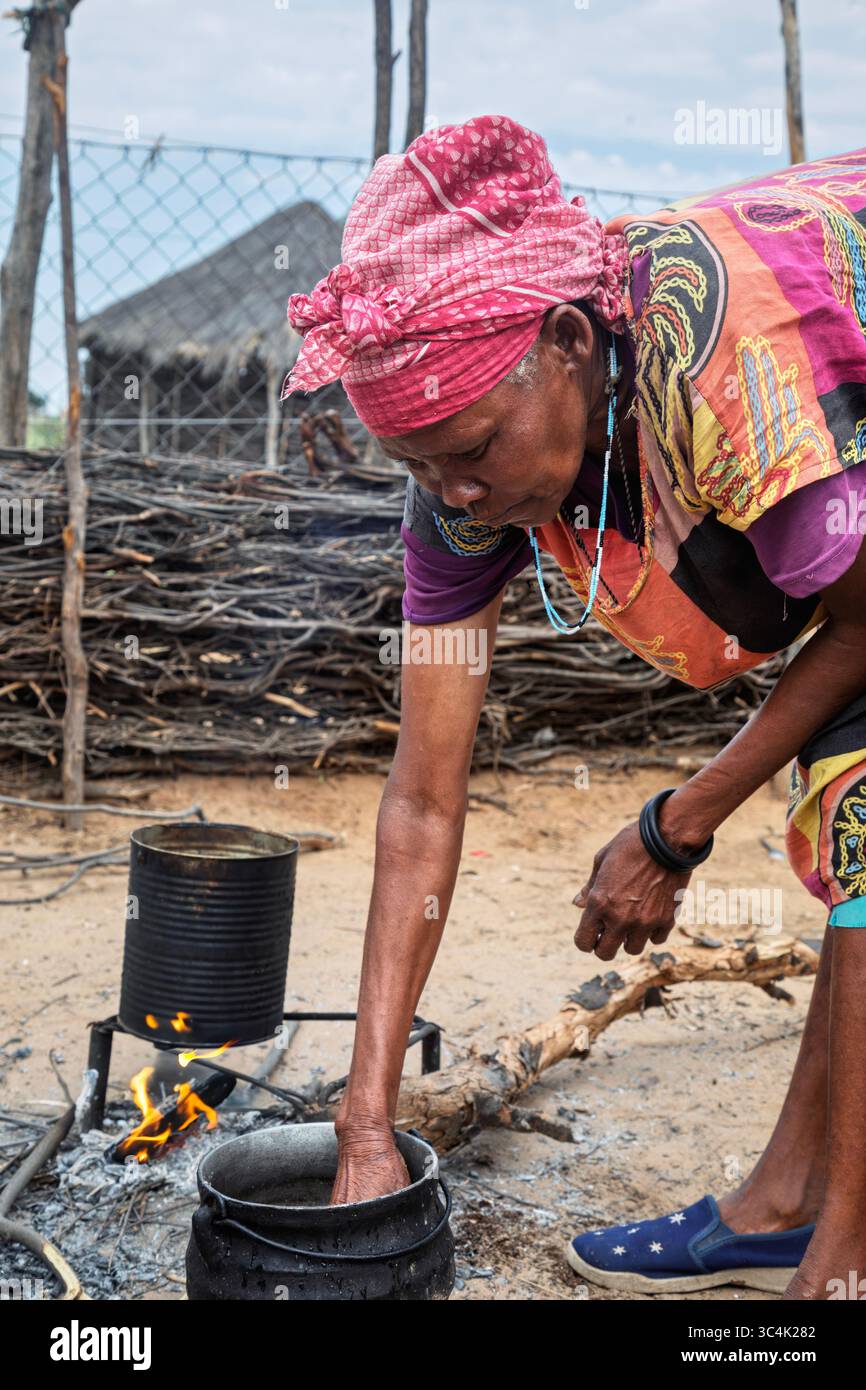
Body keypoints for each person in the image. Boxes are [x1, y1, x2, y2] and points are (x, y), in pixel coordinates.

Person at [281, 115, 866, 1300]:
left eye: (472, 448)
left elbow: (862, 624)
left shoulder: (724, 358)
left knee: (862, 811)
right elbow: (421, 801)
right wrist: (364, 1121)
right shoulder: (460, 498)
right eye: (415, 466)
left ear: (562, 342)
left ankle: (834, 1271)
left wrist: (673, 825)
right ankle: (785, 1207)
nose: (454, 491)